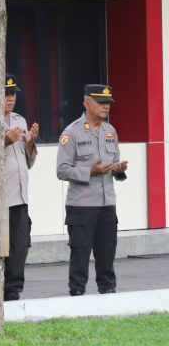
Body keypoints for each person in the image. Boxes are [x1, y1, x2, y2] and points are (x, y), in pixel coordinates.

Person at [56, 84, 127, 296]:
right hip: (82, 206)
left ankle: (107, 291)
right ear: (87, 103)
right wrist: (90, 171)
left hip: (107, 204)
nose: (106, 107)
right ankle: (77, 293)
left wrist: (119, 170)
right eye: (101, 102)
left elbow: (114, 164)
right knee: (80, 253)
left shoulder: (110, 131)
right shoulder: (72, 132)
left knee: (107, 252)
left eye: (108, 103)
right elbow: (62, 170)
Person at [3, 73, 39, 301]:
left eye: (13, 94)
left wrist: (31, 143)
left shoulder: (19, 120)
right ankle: (0, 284)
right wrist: (4, 142)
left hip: (20, 193)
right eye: (6, 94)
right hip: (0, 195)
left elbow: (28, 161)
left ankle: (13, 288)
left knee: (20, 244)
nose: (10, 98)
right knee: (0, 245)